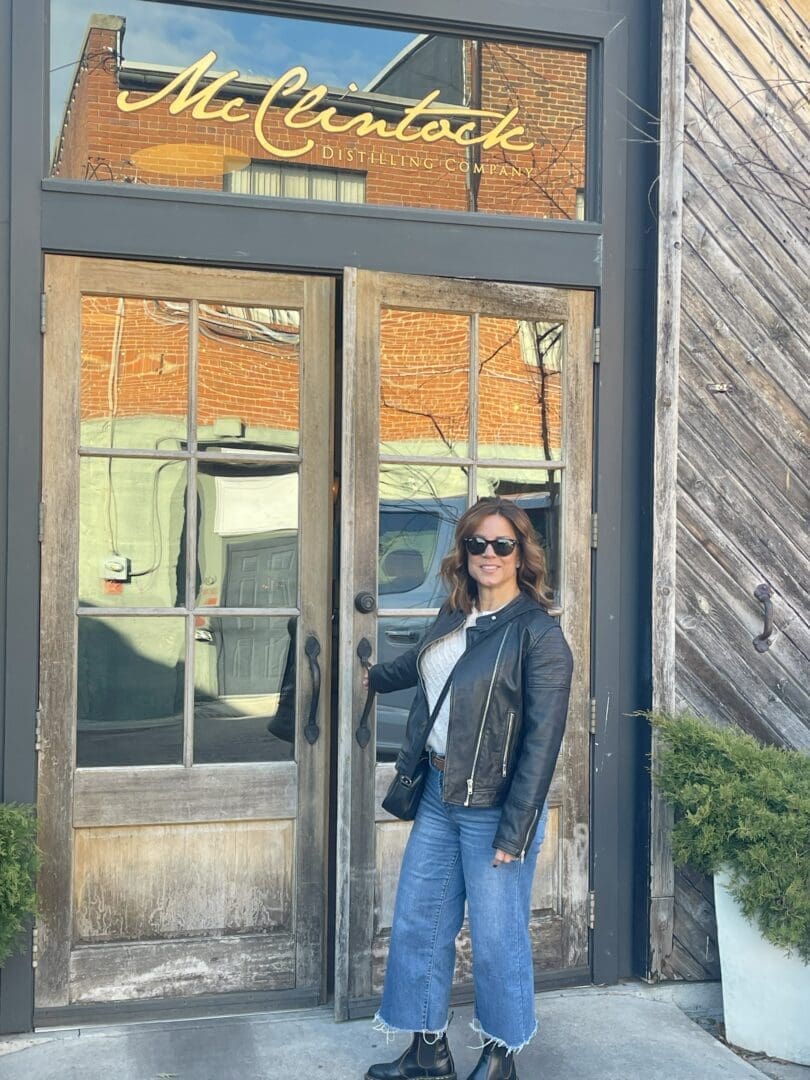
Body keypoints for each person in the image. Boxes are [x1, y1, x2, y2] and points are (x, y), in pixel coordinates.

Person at [362, 497, 574, 1080]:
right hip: (438, 791)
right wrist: (374, 676)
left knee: (497, 936)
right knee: (419, 920)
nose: (489, 554)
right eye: (478, 543)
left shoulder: (539, 636)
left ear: (522, 555)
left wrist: (517, 829)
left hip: (496, 807)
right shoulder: (455, 614)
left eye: (502, 544)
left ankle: (501, 1057)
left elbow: (542, 743)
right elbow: (423, 664)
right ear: (464, 551)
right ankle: (427, 1052)